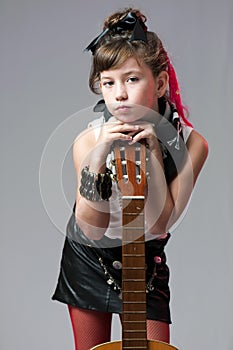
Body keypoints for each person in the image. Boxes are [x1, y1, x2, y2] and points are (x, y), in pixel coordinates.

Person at [52, 7, 208, 350]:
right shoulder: (88, 140)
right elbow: (92, 228)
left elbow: (160, 220)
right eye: (109, 83)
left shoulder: (192, 144)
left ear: (161, 82)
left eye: (132, 79)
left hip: (146, 262)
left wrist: (152, 153)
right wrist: (98, 154)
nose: (119, 94)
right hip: (90, 257)